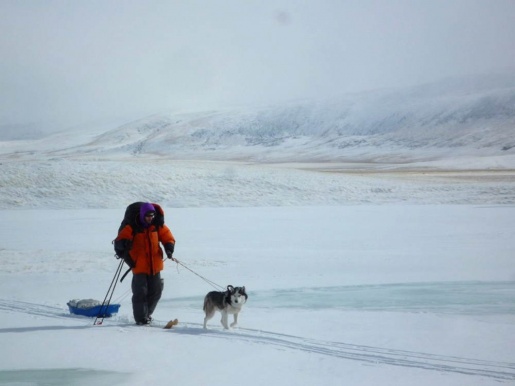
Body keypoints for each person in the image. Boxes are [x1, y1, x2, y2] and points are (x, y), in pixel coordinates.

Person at [114, 202, 176, 325]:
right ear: (142, 215)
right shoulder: (132, 227)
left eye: (152, 215)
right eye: (148, 216)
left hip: (155, 266)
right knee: (140, 294)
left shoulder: (157, 225)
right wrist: (123, 244)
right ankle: (141, 319)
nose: (150, 218)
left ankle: (146, 314)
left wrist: (169, 248)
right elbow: (119, 241)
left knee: (156, 291)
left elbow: (168, 237)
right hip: (139, 266)